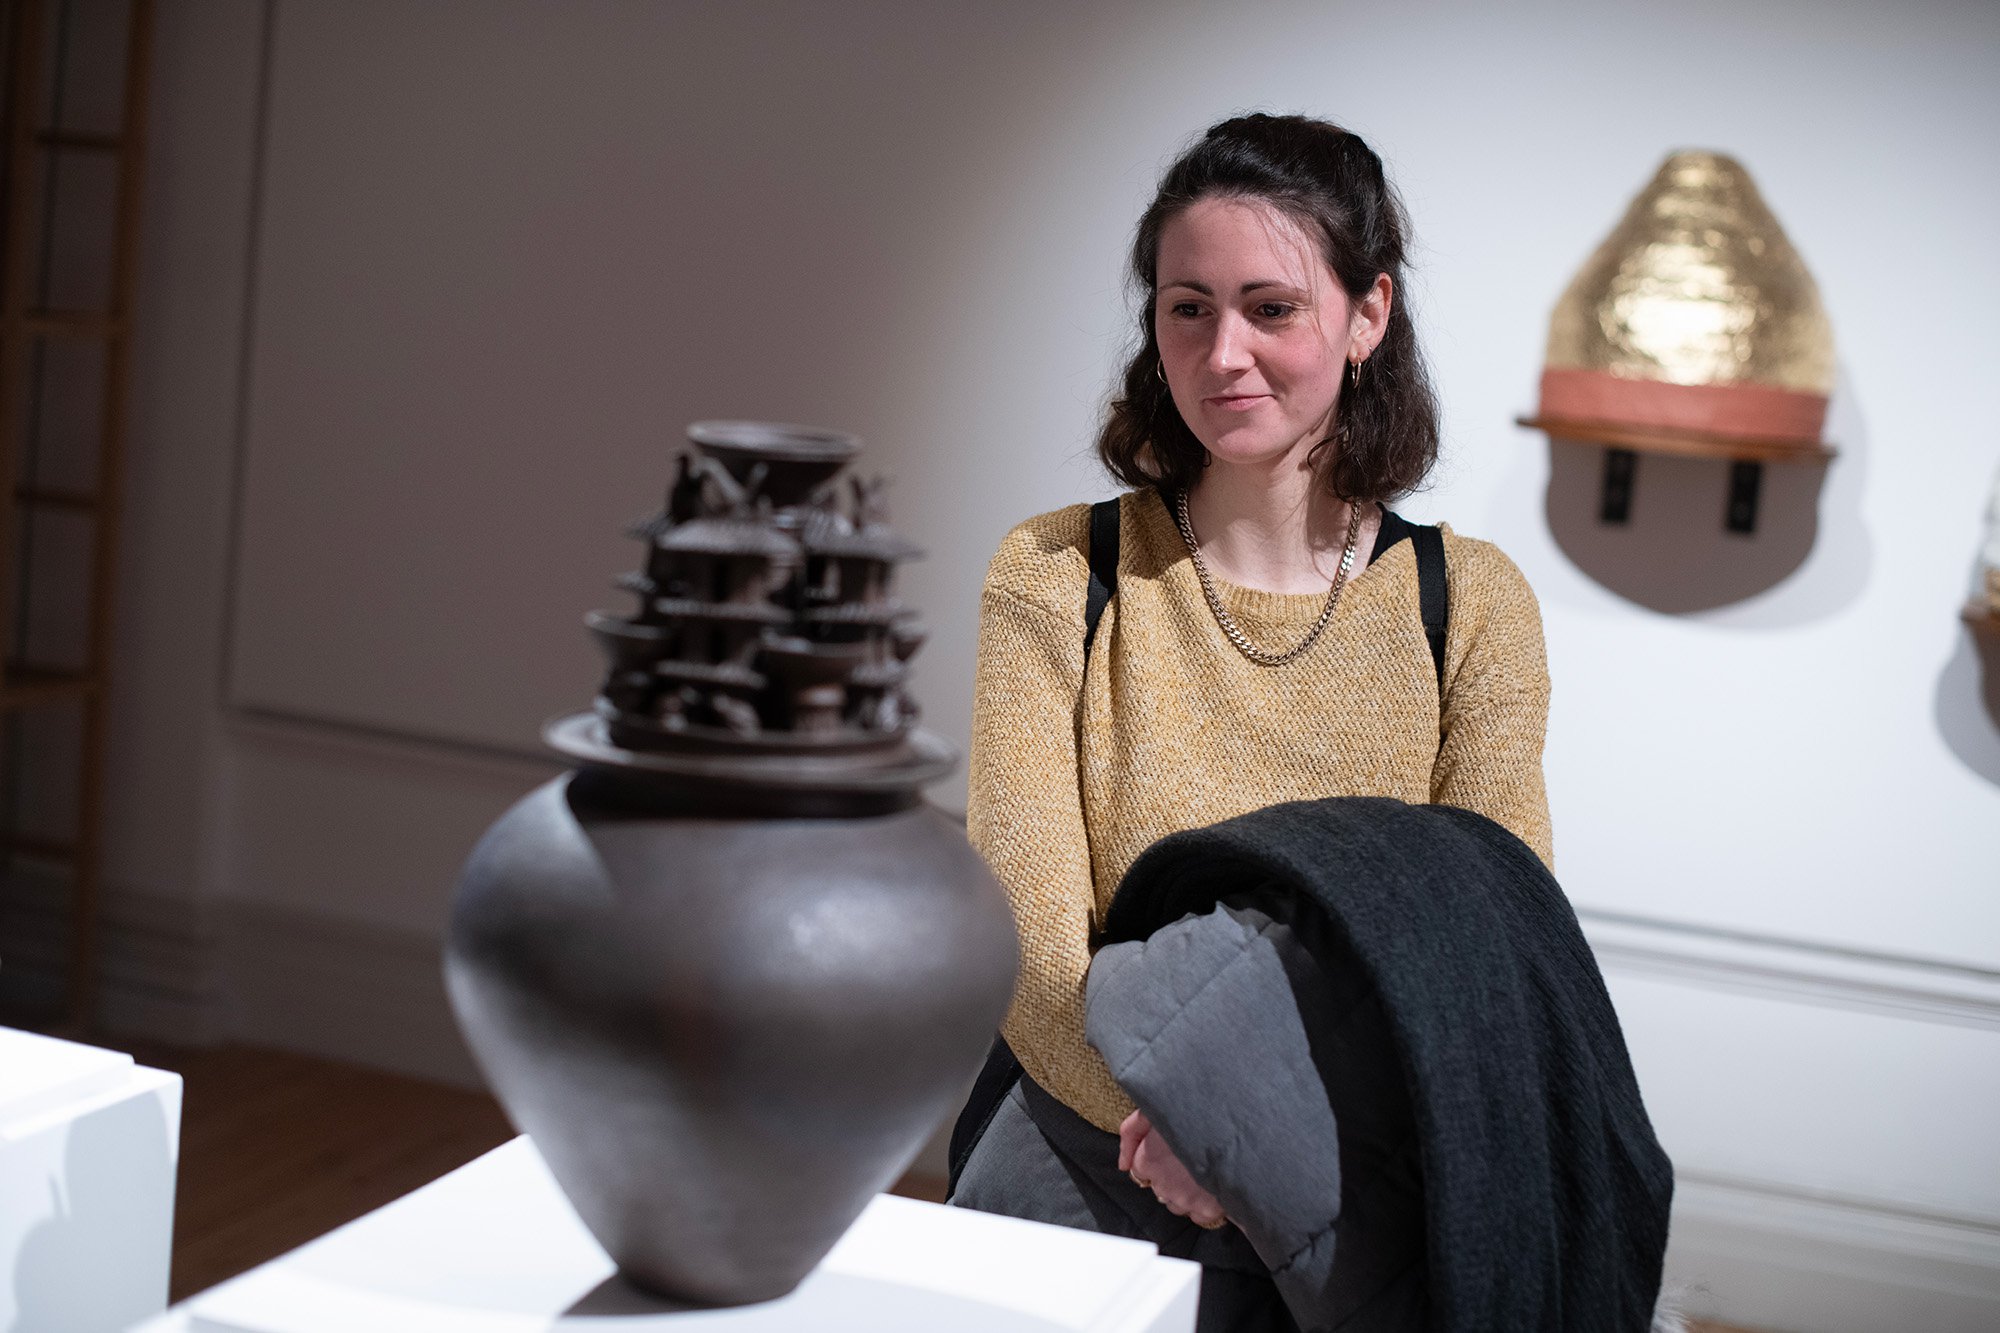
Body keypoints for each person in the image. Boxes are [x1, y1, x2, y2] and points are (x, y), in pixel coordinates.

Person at [954, 113, 1556, 1327]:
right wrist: (1190, 1128)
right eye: (1186, 307)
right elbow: (1025, 935)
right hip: (1093, 1145)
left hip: (1357, 1145)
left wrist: (1255, 1138)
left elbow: (1495, 935)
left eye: (1269, 308)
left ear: (1366, 315)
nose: (1221, 352)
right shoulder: (1055, 571)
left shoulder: (1470, 602)